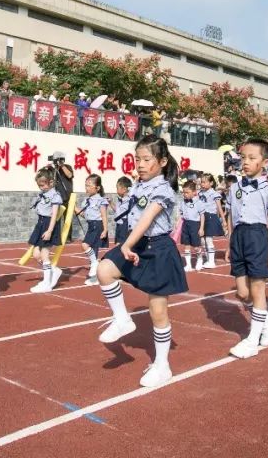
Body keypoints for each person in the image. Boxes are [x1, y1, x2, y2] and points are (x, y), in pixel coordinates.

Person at [94, 135, 187, 388]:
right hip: (137, 244)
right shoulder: (137, 185)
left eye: (147, 159)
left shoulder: (163, 189)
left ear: (163, 161)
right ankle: (123, 319)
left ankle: (162, 364)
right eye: (137, 159)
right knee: (104, 269)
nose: (141, 164)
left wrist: (125, 244)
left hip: (157, 248)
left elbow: (147, 219)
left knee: (158, 312)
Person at [227, 138, 268, 359]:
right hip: (239, 237)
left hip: (258, 237)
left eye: (252, 158)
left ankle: (252, 339)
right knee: (242, 292)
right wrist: (231, 243)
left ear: (265, 162)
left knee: (258, 289)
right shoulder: (234, 187)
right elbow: (232, 217)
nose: (246, 162)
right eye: (243, 158)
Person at [27, 167, 65, 293]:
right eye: (39, 185)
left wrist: (49, 231)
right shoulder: (42, 195)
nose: (41, 187)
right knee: (36, 254)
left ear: (51, 182)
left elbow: (54, 215)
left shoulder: (55, 195)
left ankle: (47, 283)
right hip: (40, 223)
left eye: (43, 185)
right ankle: (53, 271)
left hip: (49, 225)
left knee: (44, 254)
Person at [77, 174, 109, 286]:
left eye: (89, 185)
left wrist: (105, 230)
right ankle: (95, 278)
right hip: (91, 225)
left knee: (85, 245)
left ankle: (95, 263)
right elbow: (85, 215)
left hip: (97, 225)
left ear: (97, 188)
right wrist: (74, 209)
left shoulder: (101, 200)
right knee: (93, 251)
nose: (87, 188)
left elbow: (104, 216)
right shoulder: (86, 201)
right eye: (86, 185)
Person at [198, 173, 227, 267]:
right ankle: (208, 258)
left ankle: (211, 261)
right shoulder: (200, 193)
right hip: (202, 217)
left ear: (211, 183)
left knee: (208, 239)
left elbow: (219, 207)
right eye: (201, 182)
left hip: (210, 216)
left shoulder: (214, 194)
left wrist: (224, 220)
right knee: (202, 240)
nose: (202, 184)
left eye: (204, 182)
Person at [177, 179, 204, 272]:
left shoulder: (199, 203)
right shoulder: (183, 202)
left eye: (187, 192)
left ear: (194, 192)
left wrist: (201, 228)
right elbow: (181, 214)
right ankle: (188, 265)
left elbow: (202, 215)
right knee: (186, 245)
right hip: (186, 224)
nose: (185, 194)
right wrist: (177, 224)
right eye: (183, 192)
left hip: (195, 224)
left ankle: (200, 258)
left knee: (196, 246)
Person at [111, 176, 132, 244]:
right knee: (118, 243)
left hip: (125, 224)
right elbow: (117, 211)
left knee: (121, 244)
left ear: (124, 189)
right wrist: (110, 203)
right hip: (119, 224)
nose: (116, 190)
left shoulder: (129, 200)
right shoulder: (120, 200)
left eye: (117, 188)